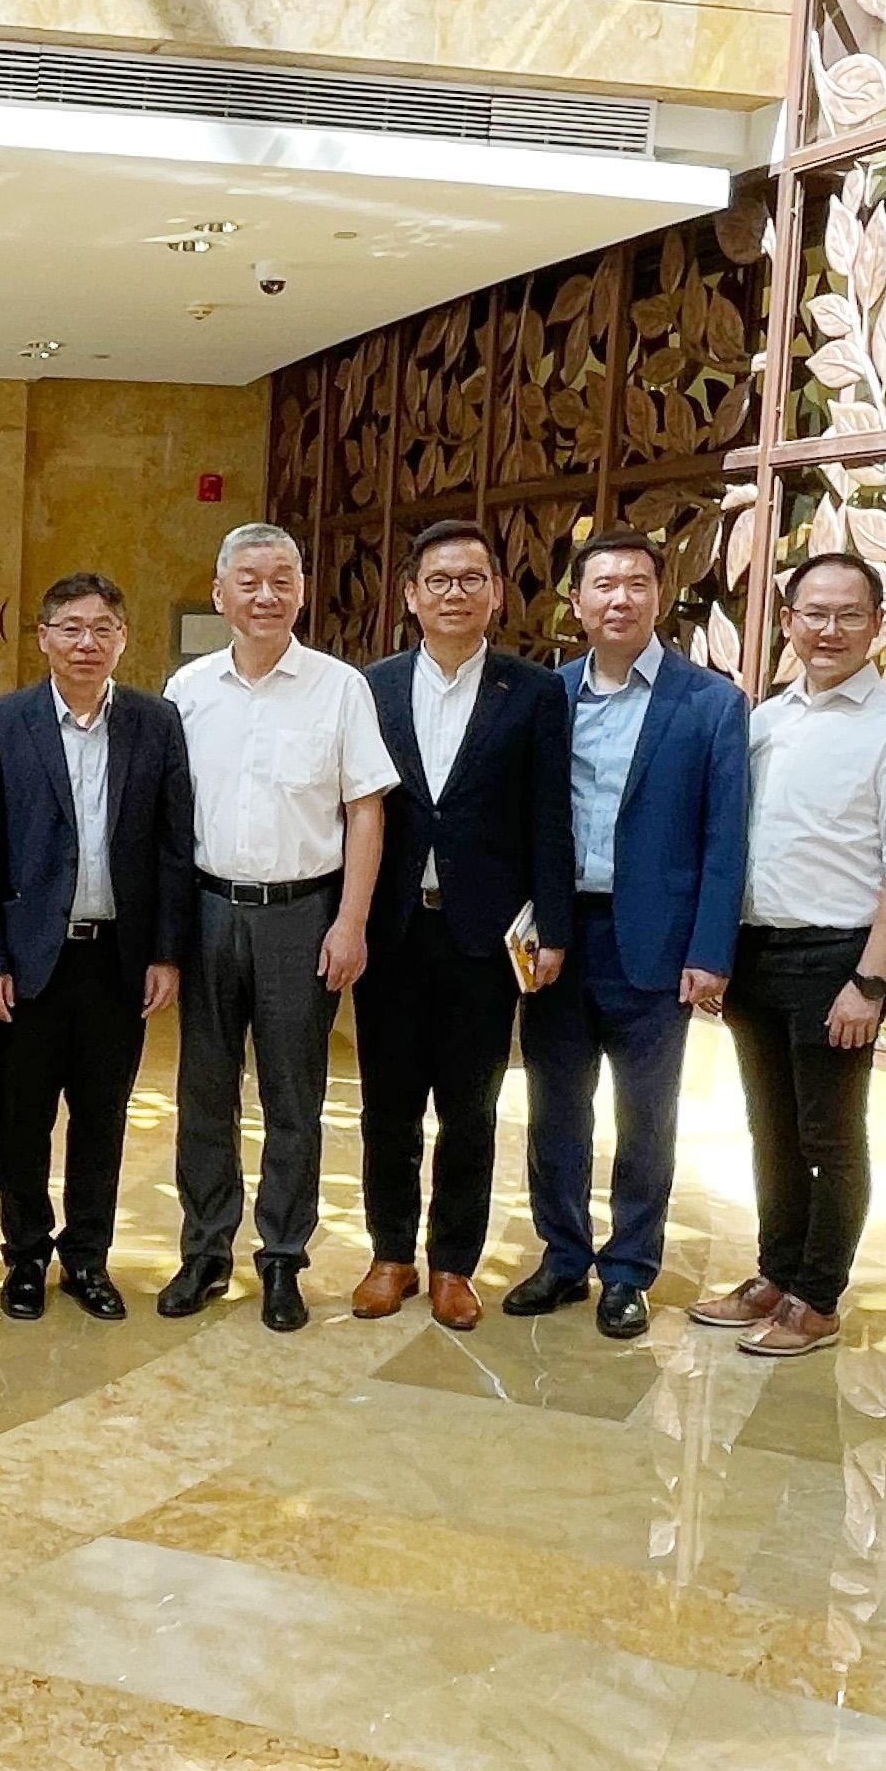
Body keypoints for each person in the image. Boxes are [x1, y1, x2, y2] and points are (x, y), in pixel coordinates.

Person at [694, 552, 886, 1359]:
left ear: (878, 625)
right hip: (758, 954)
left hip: (839, 958)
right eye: (813, 613)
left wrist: (871, 980)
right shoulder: (764, 721)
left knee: (831, 1137)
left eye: (848, 614)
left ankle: (819, 1296)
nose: (829, 630)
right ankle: (776, 1271)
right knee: (769, 1131)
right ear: (789, 622)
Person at [161, 524, 398, 1330]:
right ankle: (205, 1250)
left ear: (303, 588)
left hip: (304, 914)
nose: (267, 596)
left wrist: (352, 922)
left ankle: (284, 1258)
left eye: (282, 580)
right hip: (206, 909)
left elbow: (365, 811)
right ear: (221, 593)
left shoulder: (339, 688)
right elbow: (164, 819)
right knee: (204, 1091)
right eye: (249, 581)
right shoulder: (186, 691)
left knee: (294, 1096)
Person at [515, 531, 749, 1339]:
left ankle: (628, 1270)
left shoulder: (710, 703)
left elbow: (727, 840)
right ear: (575, 603)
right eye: (603, 585)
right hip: (556, 936)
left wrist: (711, 952)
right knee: (554, 1108)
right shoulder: (547, 697)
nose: (620, 599)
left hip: (653, 939)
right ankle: (561, 1256)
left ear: (660, 595)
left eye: (637, 584)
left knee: (646, 1116)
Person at [355, 520, 571, 1332]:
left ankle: (453, 1264)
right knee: (389, 1105)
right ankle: (390, 1256)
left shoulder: (534, 691)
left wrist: (551, 925)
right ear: (411, 595)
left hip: (486, 935)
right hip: (393, 931)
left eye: (471, 579)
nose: (455, 593)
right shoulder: (369, 688)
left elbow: (551, 816)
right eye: (438, 580)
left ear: (496, 593)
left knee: (471, 1110)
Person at [0, 572, 194, 1322]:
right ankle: (26, 1257)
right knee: (23, 1119)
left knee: (103, 1118)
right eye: (70, 627)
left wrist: (166, 951)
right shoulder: (1, 724)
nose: (86, 642)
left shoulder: (156, 724)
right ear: (43, 637)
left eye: (103, 628)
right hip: (32, 959)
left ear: (123, 639)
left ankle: (87, 1260)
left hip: (117, 961)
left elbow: (171, 846)